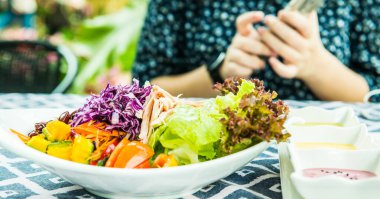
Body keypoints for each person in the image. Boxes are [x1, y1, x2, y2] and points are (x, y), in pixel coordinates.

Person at [132, 0, 380, 101]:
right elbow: (145, 91)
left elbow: (373, 95)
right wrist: (221, 73)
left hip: (323, 152)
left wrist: (315, 66)